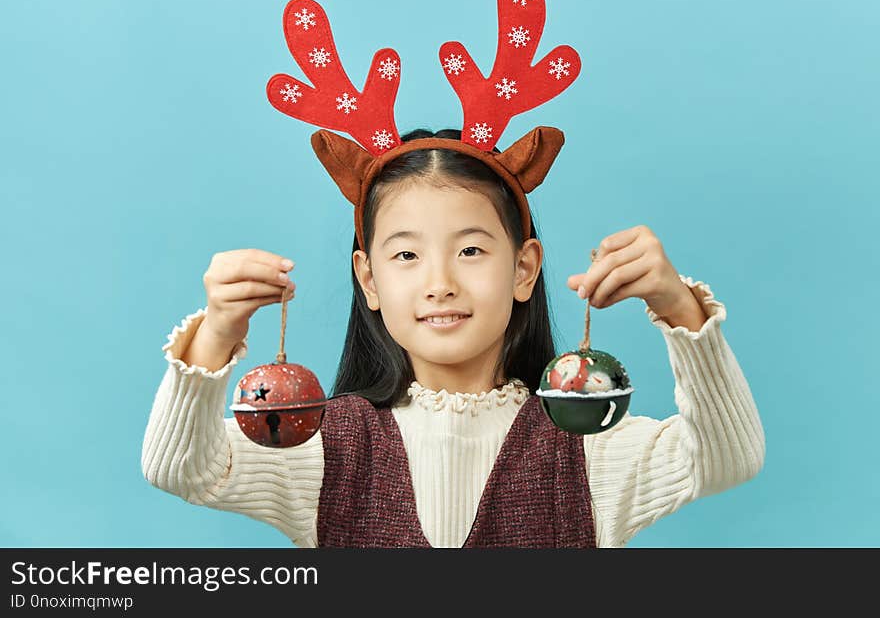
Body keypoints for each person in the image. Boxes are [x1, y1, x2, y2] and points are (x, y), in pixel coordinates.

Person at [142, 127, 765, 548]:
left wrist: (679, 308)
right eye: (406, 255)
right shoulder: (323, 449)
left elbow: (728, 457)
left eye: (470, 249)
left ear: (523, 269)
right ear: (369, 279)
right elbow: (179, 468)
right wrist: (218, 331)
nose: (438, 283)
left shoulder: (586, 448)